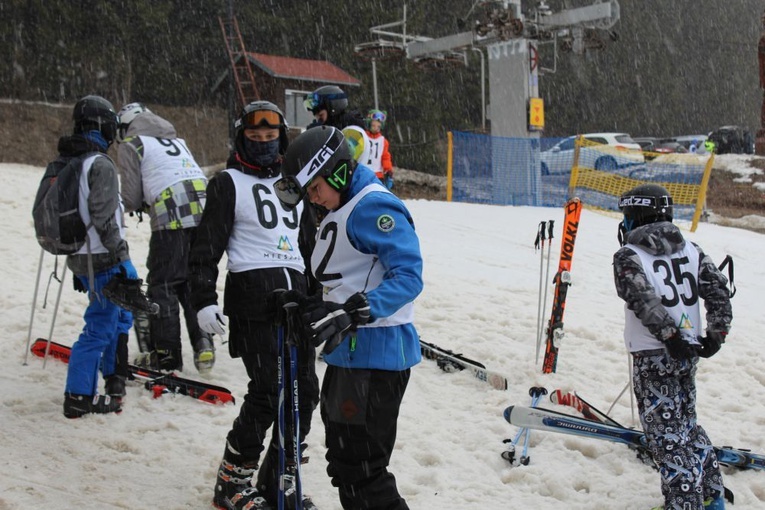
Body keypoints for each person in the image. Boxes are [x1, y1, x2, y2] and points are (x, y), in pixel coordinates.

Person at [274, 126, 424, 510]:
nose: (313, 198)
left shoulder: (372, 206)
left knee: (363, 470)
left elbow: (408, 276)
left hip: (377, 358)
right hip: (348, 355)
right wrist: (310, 304)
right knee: (344, 465)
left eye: (315, 188)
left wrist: (358, 309)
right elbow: (345, 277)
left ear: (336, 171)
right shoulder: (340, 206)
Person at [188, 101, 319, 510]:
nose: (263, 144)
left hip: (295, 298)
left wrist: (318, 297)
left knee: (304, 392)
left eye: (270, 138)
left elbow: (308, 244)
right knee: (266, 391)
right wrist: (203, 301)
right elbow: (205, 249)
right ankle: (232, 479)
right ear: (241, 137)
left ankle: (278, 476)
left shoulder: (293, 183)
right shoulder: (226, 183)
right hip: (253, 297)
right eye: (254, 137)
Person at [613, 184, 732, 510]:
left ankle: (684, 504)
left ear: (636, 216)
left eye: (626, 216)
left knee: (666, 439)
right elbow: (718, 289)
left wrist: (669, 336)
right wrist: (716, 333)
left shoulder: (629, 255)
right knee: (686, 427)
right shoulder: (691, 249)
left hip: (655, 356)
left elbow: (641, 297)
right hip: (687, 353)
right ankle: (711, 495)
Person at [115, 102, 214, 374]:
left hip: (172, 212)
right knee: (191, 280)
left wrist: (128, 207)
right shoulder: (176, 140)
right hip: (206, 210)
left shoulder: (132, 144)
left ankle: (167, 355)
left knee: (164, 285)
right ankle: (203, 343)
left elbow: (131, 196)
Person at [60, 95, 137, 418]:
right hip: (103, 257)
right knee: (101, 325)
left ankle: (114, 376)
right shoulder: (100, 164)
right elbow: (105, 220)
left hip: (81, 255)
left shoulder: (70, 160)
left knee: (119, 315)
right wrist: (123, 259)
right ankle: (78, 397)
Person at [364, 109, 395, 189]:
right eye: (373, 126)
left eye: (378, 126)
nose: (376, 128)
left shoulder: (383, 141)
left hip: (377, 174)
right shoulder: (363, 137)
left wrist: (388, 170)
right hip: (363, 172)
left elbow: (385, 157)